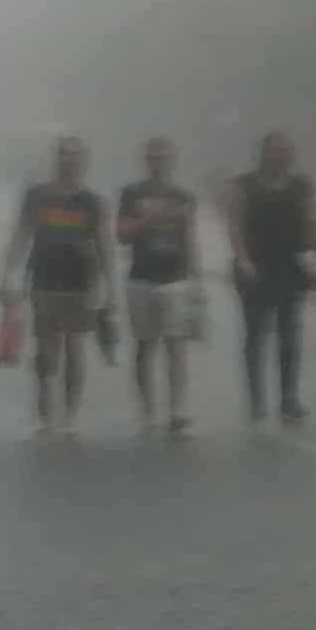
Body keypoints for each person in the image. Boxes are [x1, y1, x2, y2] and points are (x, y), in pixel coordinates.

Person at [0, 134, 114, 438]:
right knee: (46, 351)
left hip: (81, 282)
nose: (69, 161)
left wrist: (109, 287)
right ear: (56, 159)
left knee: (75, 349)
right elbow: (21, 235)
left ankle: (70, 414)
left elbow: (104, 244)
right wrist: (8, 275)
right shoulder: (37, 195)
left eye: (75, 156)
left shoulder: (92, 201)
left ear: (84, 163)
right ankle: (44, 408)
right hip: (44, 281)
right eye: (64, 155)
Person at [227, 130, 316, 425]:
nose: (281, 155)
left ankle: (288, 399)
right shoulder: (243, 185)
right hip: (255, 268)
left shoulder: (300, 185)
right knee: (256, 335)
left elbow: (312, 221)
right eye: (275, 150)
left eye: (286, 150)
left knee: (290, 336)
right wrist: (243, 259)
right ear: (263, 153)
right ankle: (257, 400)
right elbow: (235, 224)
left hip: (291, 267)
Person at [117, 135, 200, 434]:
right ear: (145, 161)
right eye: (153, 158)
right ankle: (147, 412)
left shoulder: (184, 197)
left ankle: (177, 410)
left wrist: (197, 282)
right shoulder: (131, 193)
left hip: (175, 278)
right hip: (140, 278)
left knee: (176, 346)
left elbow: (190, 238)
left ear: (172, 161)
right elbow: (122, 234)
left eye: (163, 158)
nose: (158, 163)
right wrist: (148, 219)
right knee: (144, 346)